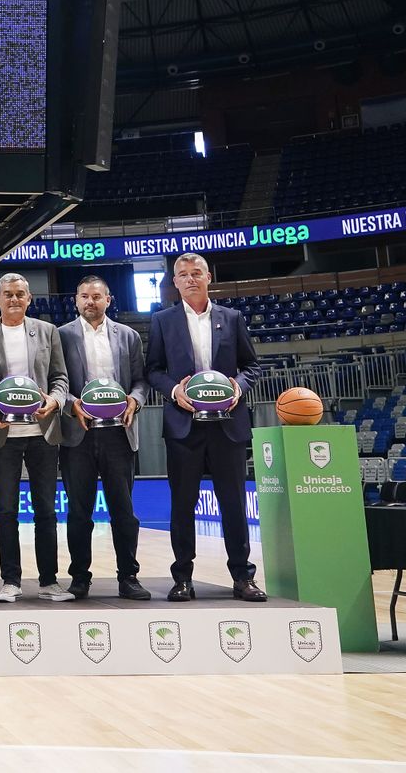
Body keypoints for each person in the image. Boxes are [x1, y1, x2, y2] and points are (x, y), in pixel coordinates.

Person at [146, 252, 267, 603]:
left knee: (233, 504)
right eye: (182, 275)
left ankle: (242, 577)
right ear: (175, 282)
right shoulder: (162, 321)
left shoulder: (232, 318)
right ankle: (182, 577)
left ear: (208, 277)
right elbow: (153, 369)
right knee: (182, 505)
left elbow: (252, 366)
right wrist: (174, 390)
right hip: (184, 426)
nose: (190, 279)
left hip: (228, 425)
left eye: (196, 272)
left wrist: (237, 387)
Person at [0, 273, 73, 603]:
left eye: (20, 294)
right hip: (3, 434)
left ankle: (49, 581)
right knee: (6, 511)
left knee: (46, 510)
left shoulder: (48, 332)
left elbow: (61, 378)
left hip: (42, 433)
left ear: (29, 298)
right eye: (8, 294)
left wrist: (54, 401)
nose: (14, 299)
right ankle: (11, 581)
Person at [57, 276, 150, 601]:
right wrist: (71, 404)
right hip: (78, 434)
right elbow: (56, 381)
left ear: (108, 300)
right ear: (76, 300)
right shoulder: (61, 336)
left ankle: (129, 577)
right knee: (79, 513)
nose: (90, 302)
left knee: (123, 511)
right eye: (84, 296)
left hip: (118, 434)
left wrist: (134, 401)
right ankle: (79, 579)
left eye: (96, 296)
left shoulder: (128, 336)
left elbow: (140, 381)